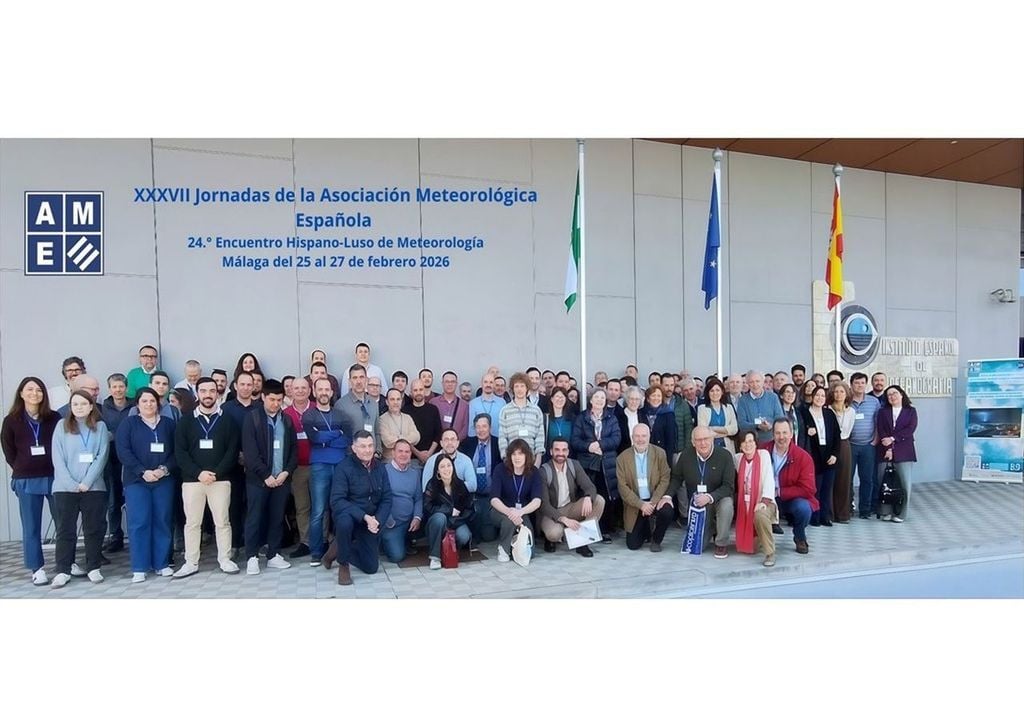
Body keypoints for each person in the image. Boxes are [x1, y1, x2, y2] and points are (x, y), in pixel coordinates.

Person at [172, 377, 241, 578]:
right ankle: (191, 562)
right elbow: (180, 452)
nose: (208, 395)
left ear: (218, 394)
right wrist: (198, 473)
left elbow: (232, 451)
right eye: (203, 391)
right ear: (197, 394)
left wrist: (216, 473)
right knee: (192, 523)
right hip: (193, 481)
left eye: (212, 391)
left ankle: (225, 559)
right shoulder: (186, 421)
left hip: (220, 480)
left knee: (222, 522)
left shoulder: (228, 420)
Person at [2, 377, 62, 585]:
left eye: (39, 390)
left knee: (63, 523)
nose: (34, 393)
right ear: (21, 393)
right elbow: (9, 451)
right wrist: (22, 466)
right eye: (29, 389)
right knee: (31, 526)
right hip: (26, 479)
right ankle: (37, 569)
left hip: (54, 476)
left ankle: (66, 563)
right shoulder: (11, 420)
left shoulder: (54, 418)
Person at [48, 390, 110, 587]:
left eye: (83, 403)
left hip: (93, 487)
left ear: (91, 406)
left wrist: (87, 482)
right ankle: (63, 570)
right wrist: (71, 484)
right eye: (75, 404)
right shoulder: (61, 426)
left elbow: (101, 456)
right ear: (70, 407)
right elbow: (57, 458)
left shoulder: (100, 427)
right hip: (65, 488)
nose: (79, 407)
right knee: (65, 530)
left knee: (94, 529)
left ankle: (93, 568)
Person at [116, 387, 177, 582]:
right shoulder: (128, 424)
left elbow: (177, 451)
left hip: (163, 480)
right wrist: (142, 471)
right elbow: (123, 451)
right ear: (137, 404)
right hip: (137, 481)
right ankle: (140, 567)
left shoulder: (168, 424)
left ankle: (162, 564)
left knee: (162, 521)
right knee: (139, 523)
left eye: (152, 401)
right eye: (144, 401)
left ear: (158, 403)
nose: (149, 404)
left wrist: (163, 470)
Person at [240, 379, 296, 575]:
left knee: (277, 517)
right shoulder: (253, 418)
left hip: (281, 479)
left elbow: (293, 450)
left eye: (279, 400)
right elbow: (250, 452)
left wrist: (286, 472)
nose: (275, 403)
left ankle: (273, 554)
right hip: (258, 480)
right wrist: (265, 475)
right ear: (263, 397)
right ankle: (252, 556)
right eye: (272, 399)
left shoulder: (287, 420)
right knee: (254, 518)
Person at [328, 430, 393, 585]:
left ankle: (337, 548)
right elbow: (337, 500)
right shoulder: (343, 467)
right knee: (344, 523)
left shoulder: (380, 467)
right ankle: (343, 564)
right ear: (354, 448)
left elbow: (387, 498)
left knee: (371, 567)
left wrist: (377, 520)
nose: (367, 450)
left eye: (370, 445)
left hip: (370, 520)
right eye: (363, 446)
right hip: (350, 516)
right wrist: (364, 516)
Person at [302, 377, 351, 566]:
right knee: (318, 510)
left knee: (340, 507)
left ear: (332, 392)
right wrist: (335, 434)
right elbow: (314, 438)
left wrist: (326, 439)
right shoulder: (309, 415)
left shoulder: (341, 415)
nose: (324, 393)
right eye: (320, 389)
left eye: (327, 389)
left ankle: (340, 549)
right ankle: (316, 552)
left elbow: (347, 440)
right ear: (314, 392)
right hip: (319, 466)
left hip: (340, 465)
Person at [669, 426, 736, 558]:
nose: (703, 443)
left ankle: (721, 543)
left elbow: (728, 487)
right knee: (698, 546)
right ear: (693, 442)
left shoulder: (725, 455)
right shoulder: (685, 456)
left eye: (706, 439)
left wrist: (710, 497)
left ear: (712, 439)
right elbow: (676, 478)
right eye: (699, 440)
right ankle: (712, 528)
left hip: (718, 498)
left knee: (727, 505)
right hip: (698, 504)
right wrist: (667, 496)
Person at [760, 418, 818, 554]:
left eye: (785, 433)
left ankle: (800, 537)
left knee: (804, 509)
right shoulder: (762, 451)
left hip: (789, 499)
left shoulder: (803, 457)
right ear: (773, 434)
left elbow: (809, 489)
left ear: (791, 434)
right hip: (765, 496)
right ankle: (758, 539)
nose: (781, 437)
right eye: (777, 433)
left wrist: (780, 492)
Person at [571, 388, 622, 542]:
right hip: (587, 464)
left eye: (602, 398)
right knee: (588, 496)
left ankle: (604, 530)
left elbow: (616, 438)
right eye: (596, 397)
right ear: (591, 400)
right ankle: (584, 533)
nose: (599, 400)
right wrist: (589, 447)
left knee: (606, 496)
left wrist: (600, 444)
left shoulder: (611, 418)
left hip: (606, 464)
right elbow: (575, 440)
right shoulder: (581, 418)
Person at [537, 438, 603, 556]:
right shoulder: (544, 471)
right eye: (557, 450)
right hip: (551, 512)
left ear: (568, 452)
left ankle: (582, 540)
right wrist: (563, 519)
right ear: (551, 451)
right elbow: (544, 505)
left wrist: (588, 497)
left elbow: (590, 486)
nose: (560, 453)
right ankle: (552, 537)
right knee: (554, 534)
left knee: (599, 500)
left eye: (564, 450)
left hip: (570, 507)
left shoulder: (574, 465)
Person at [220, 370, 260, 556]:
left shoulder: (259, 408)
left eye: (249, 384)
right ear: (235, 386)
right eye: (242, 384)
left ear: (254, 387)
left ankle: (256, 543)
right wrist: (237, 456)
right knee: (233, 504)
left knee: (255, 505)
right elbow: (222, 437)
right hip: (232, 465)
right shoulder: (226, 409)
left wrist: (251, 458)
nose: (245, 388)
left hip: (256, 465)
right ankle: (235, 544)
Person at [617, 424, 674, 552]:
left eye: (644, 436)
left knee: (667, 511)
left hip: (655, 499)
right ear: (632, 437)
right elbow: (622, 487)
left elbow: (665, 478)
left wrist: (652, 502)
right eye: (637, 436)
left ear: (649, 436)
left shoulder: (660, 453)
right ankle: (646, 529)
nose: (640, 439)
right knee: (633, 545)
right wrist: (641, 505)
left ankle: (656, 540)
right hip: (636, 503)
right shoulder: (622, 458)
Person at [489, 438, 543, 562]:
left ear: (527, 455)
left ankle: (513, 545)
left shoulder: (534, 472)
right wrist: (510, 512)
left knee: (530, 552)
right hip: (501, 510)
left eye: (520, 454)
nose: (517, 457)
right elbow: (494, 499)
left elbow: (537, 501)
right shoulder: (500, 469)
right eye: (513, 454)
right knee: (509, 521)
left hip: (522, 512)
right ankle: (503, 549)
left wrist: (520, 512)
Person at [733, 430, 777, 567]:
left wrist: (764, 501)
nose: (748, 444)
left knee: (760, 515)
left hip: (765, 501)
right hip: (745, 504)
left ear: (756, 443)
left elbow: (769, 480)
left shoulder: (764, 455)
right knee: (753, 547)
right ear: (740, 445)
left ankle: (770, 553)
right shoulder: (737, 458)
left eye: (751, 441)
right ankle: (757, 540)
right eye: (744, 442)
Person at [422, 455, 473, 569]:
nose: (446, 469)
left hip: (457, 522)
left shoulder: (460, 484)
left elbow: (469, 507)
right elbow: (427, 507)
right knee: (440, 518)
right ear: (438, 471)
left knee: (464, 536)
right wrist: (449, 510)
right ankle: (435, 557)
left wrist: (458, 518)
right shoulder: (432, 485)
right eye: (442, 466)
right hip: (437, 523)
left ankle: (450, 551)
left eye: (449, 465)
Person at [799, 385, 840, 526]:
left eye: (823, 396)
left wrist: (835, 454)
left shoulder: (829, 414)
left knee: (827, 488)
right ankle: (814, 516)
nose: (820, 398)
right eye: (817, 395)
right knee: (814, 488)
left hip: (829, 455)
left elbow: (837, 436)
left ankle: (825, 516)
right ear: (812, 397)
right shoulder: (804, 412)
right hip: (812, 455)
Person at [875, 385, 918, 522]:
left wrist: (893, 440)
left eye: (894, 393)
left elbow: (910, 429)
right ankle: (886, 511)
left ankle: (900, 513)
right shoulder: (883, 412)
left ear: (901, 394)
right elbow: (881, 429)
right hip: (884, 451)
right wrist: (888, 448)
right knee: (884, 482)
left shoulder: (911, 411)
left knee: (904, 484)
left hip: (904, 451)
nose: (892, 396)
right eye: (889, 395)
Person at [101, 373, 132, 553]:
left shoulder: (134, 406)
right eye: (114, 387)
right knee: (113, 501)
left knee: (131, 499)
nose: (118, 390)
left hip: (130, 459)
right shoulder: (102, 409)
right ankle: (115, 536)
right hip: (110, 459)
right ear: (109, 389)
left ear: (126, 388)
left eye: (121, 386)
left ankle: (134, 535)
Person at [282, 376, 313, 559]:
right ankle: (306, 542)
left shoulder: (317, 409)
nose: (300, 391)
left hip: (317, 466)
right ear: (291, 391)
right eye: (297, 388)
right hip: (297, 468)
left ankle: (322, 539)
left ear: (309, 390)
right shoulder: (285, 414)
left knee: (322, 506)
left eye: (304, 388)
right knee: (302, 507)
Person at [459, 414, 502, 542]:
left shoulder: (498, 444)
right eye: (478, 427)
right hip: (472, 496)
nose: (481, 430)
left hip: (491, 496)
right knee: (474, 532)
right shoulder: (467, 443)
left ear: (490, 428)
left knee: (489, 536)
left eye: (484, 426)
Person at [380, 440, 423, 563]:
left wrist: (417, 517)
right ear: (393, 453)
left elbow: (418, 498)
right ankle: (385, 543)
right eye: (400, 451)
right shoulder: (384, 471)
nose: (404, 454)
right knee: (397, 556)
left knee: (434, 522)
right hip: (392, 523)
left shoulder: (414, 473)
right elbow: (379, 500)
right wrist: (388, 520)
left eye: (407, 452)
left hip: (410, 522)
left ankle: (405, 540)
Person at [849, 372, 881, 519]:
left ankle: (865, 509)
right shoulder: (847, 401)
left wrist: (875, 440)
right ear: (851, 384)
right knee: (848, 479)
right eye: (857, 383)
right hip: (850, 446)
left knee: (867, 479)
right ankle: (848, 507)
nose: (860, 385)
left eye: (862, 383)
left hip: (868, 446)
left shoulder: (874, 402)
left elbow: (878, 422)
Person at [498, 372, 545, 464]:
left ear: (527, 388)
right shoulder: (505, 410)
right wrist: (505, 459)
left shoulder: (536, 410)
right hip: (512, 461)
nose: (519, 389)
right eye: (516, 386)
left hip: (531, 460)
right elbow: (502, 437)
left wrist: (538, 461)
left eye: (522, 386)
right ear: (512, 389)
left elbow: (540, 436)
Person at [334, 363, 380, 450]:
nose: (358, 381)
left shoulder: (373, 403)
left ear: (366, 380)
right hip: (351, 454)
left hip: (372, 455)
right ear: (349, 381)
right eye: (355, 378)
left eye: (361, 377)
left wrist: (378, 451)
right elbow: (339, 435)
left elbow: (377, 431)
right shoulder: (341, 405)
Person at [829, 381, 856, 524]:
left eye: (841, 392)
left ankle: (843, 513)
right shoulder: (828, 410)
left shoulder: (851, 412)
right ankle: (831, 513)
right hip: (830, 445)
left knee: (844, 480)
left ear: (846, 394)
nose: (838, 394)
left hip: (844, 445)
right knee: (831, 479)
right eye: (836, 391)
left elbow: (849, 430)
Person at [737, 370, 784, 444]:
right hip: (751, 443)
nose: (755, 384)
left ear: (763, 382)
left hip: (772, 440)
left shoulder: (773, 397)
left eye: (757, 381)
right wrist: (757, 426)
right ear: (748, 384)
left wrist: (770, 425)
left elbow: (780, 418)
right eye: (751, 382)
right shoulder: (742, 400)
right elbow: (742, 424)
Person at [378, 388, 420, 462]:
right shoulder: (382, 419)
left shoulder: (407, 418)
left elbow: (416, 437)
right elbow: (388, 442)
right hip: (389, 462)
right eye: (392, 399)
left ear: (401, 401)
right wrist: (407, 438)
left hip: (407, 462)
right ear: (387, 402)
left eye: (398, 399)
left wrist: (398, 438)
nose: (395, 402)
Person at [406, 379, 442, 465]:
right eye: (415, 390)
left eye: (421, 389)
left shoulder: (433, 409)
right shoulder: (405, 411)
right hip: (412, 458)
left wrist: (429, 453)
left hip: (432, 457)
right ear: (411, 392)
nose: (418, 392)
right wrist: (418, 454)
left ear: (424, 391)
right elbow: (404, 437)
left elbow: (438, 434)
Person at [696, 377, 738, 450]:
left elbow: (734, 429)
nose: (715, 393)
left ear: (722, 392)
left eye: (717, 390)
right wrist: (726, 432)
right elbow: (704, 432)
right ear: (708, 393)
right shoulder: (702, 409)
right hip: (709, 447)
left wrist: (713, 428)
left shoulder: (729, 407)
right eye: (712, 391)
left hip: (727, 447)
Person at [431, 370, 470, 440]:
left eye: (452, 382)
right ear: (442, 383)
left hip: (458, 444)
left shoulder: (464, 405)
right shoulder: (433, 402)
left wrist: (455, 441)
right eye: (447, 382)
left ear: (456, 384)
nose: (450, 384)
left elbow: (466, 427)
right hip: (438, 443)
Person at [641, 385, 678, 458]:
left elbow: (671, 439)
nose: (656, 398)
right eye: (653, 395)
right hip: (645, 453)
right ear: (648, 399)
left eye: (659, 396)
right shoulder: (641, 413)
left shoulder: (668, 414)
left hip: (662, 454)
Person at [544, 387, 575, 454]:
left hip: (568, 456)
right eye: (557, 396)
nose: (559, 399)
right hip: (549, 456)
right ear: (552, 399)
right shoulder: (545, 419)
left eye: (562, 397)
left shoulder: (572, 419)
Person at [778, 383, 805, 450]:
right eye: (787, 392)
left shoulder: (798, 412)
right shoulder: (777, 411)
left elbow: (801, 433)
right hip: (781, 447)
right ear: (781, 395)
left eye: (793, 392)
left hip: (796, 447)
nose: (790, 395)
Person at [616, 386, 643, 453]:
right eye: (631, 399)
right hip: (623, 454)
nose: (634, 402)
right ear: (626, 400)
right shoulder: (618, 417)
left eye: (637, 399)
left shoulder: (643, 416)